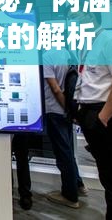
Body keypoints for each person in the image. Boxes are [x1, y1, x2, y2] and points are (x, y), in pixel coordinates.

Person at [68, 9, 112, 220]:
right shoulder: (87, 45)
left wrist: (103, 117)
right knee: (106, 174)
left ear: (90, 16)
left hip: (108, 115)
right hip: (91, 113)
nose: (72, 21)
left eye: (75, 16)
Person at [43, 47, 87, 209]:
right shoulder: (69, 54)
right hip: (65, 112)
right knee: (68, 151)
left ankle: (70, 195)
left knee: (63, 154)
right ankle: (78, 184)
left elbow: (55, 88)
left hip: (55, 111)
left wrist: (66, 109)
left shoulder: (47, 56)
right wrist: (71, 111)